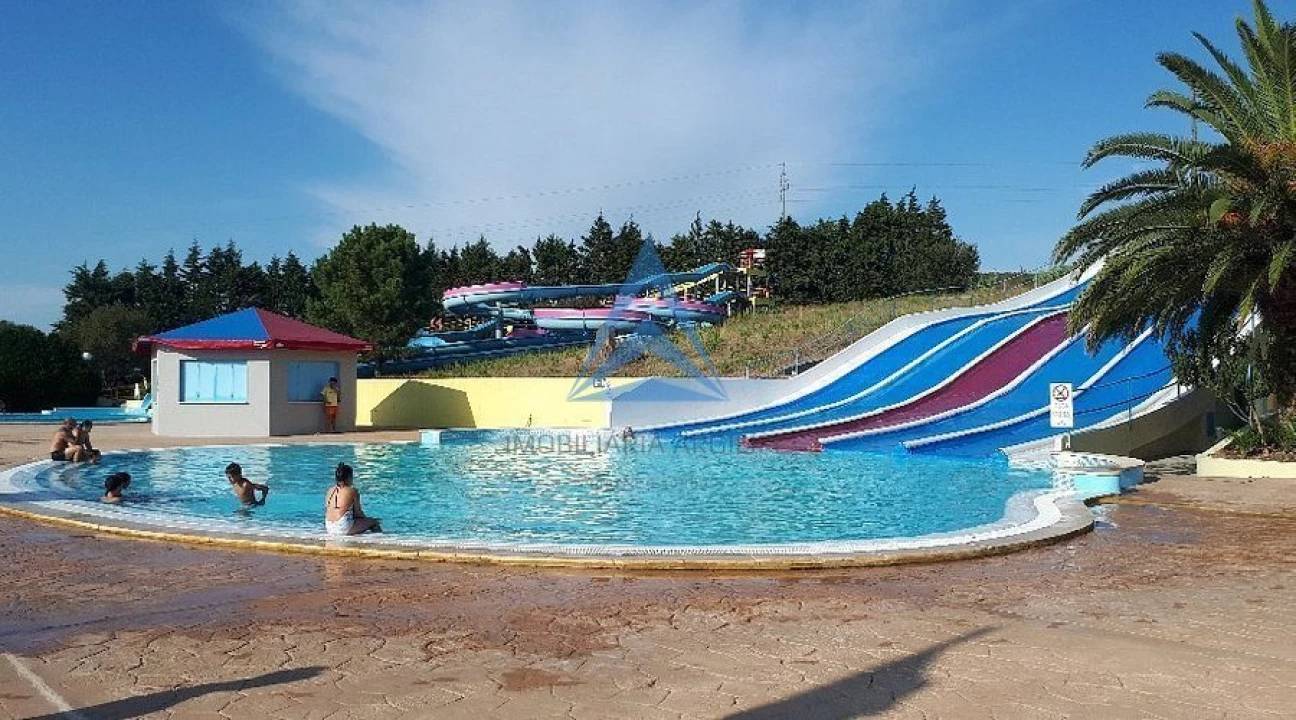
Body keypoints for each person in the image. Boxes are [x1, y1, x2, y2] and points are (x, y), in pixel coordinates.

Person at [325, 463, 381, 536]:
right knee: (374, 523)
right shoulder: (352, 491)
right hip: (342, 527)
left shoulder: (330, 491)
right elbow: (358, 513)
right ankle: (381, 545)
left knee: (360, 522)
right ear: (348, 478)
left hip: (329, 527)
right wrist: (370, 520)